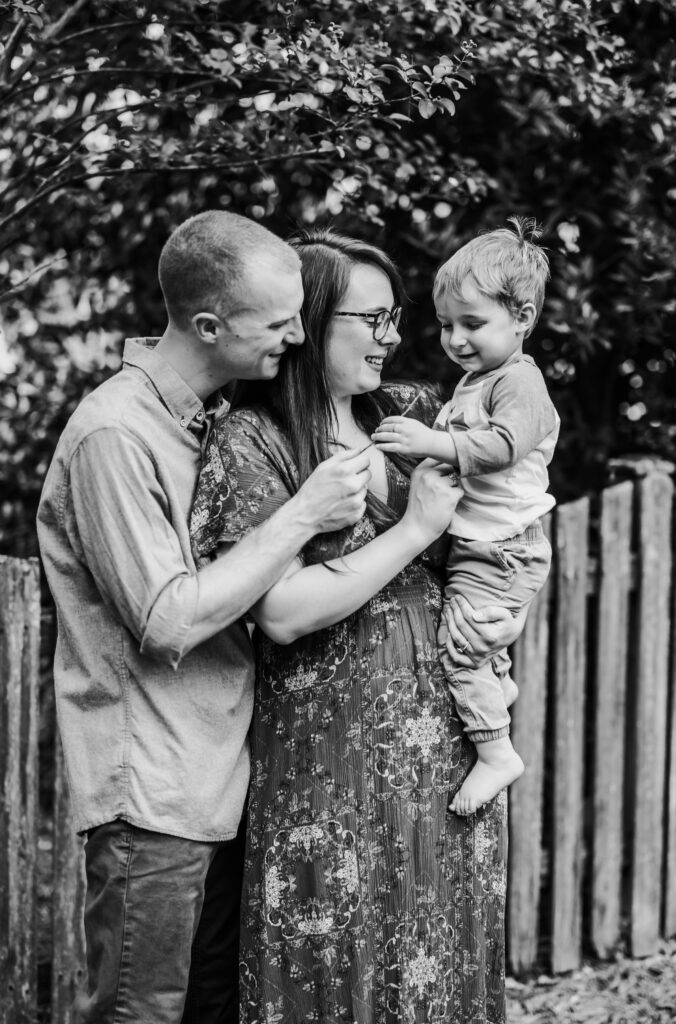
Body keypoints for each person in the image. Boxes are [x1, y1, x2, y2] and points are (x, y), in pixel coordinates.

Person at [36, 211, 381, 1024]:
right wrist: (299, 517)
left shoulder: (208, 424)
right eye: (278, 320)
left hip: (221, 781)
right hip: (152, 793)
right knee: (138, 1013)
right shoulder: (115, 436)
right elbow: (169, 619)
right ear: (207, 325)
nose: (298, 336)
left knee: (210, 1009)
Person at [190, 228, 527, 1023]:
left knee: (440, 951)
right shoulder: (255, 440)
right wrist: (410, 532)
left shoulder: (414, 414)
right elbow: (279, 612)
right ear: (310, 320)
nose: (393, 337)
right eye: (371, 320)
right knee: (329, 958)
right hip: (323, 753)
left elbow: (508, 494)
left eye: (393, 318)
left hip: (448, 744)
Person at [372, 217, 560, 816]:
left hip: (501, 549)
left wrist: (433, 443)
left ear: (523, 318)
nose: (455, 339)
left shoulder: (520, 384)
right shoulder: (477, 380)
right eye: (449, 324)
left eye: (473, 324)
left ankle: (496, 750)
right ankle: (495, 683)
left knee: (459, 649)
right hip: (489, 545)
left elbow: (502, 447)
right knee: (476, 640)